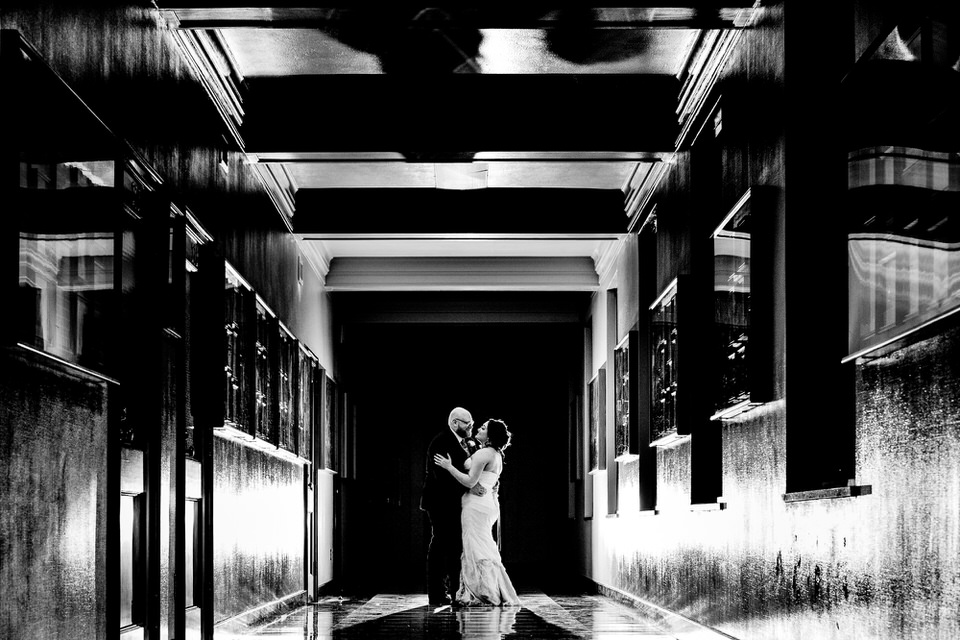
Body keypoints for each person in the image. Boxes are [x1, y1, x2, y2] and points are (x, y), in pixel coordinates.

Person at [434, 418, 521, 606]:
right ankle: (491, 587)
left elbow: (470, 482)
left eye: (483, 428)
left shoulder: (483, 454)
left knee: (475, 546)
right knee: (484, 545)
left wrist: (449, 467)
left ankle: (483, 591)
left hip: (475, 505)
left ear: (490, 436)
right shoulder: (496, 455)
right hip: (487, 503)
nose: (478, 429)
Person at [420, 407, 487, 607]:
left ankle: (454, 590)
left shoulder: (468, 443)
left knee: (454, 546)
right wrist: (470, 486)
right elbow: (440, 476)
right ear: (455, 423)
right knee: (440, 544)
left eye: (472, 422)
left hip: (458, 502)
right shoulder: (441, 441)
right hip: (440, 501)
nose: (471, 426)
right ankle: (436, 594)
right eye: (467, 423)